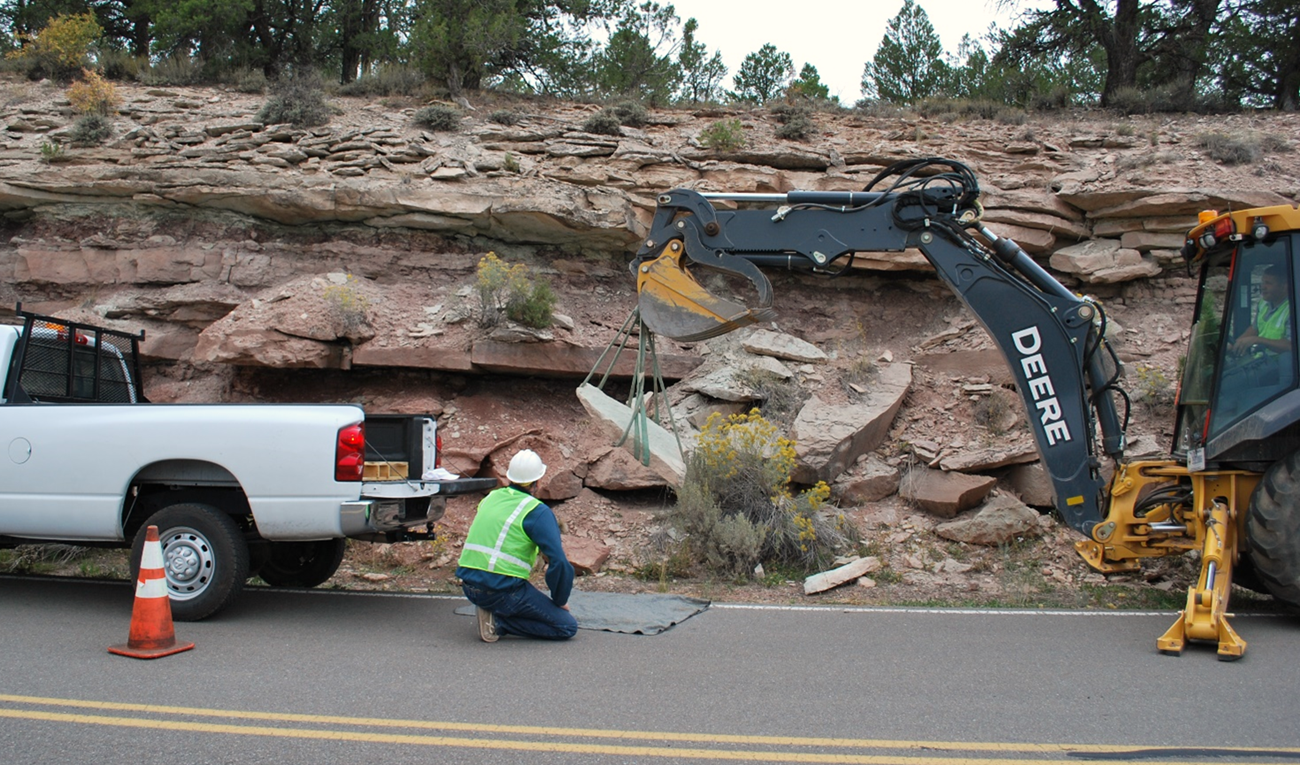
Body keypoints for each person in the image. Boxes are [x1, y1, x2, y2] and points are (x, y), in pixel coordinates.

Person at [456, 449, 577, 642]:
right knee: (565, 626)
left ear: (510, 477)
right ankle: (498, 623)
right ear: (538, 482)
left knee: (523, 600)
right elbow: (559, 563)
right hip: (501, 591)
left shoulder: (491, 498)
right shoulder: (536, 512)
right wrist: (560, 600)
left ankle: (496, 611)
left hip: (469, 587)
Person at [1231, 265, 1291, 357]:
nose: (1263, 287)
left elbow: (1290, 346)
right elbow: (1255, 328)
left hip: (1281, 366)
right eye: (1263, 282)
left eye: (1268, 283)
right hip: (1262, 362)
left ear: (1284, 286)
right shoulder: (1263, 304)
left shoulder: (1292, 310)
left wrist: (1257, 340)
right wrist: (1234, 345)